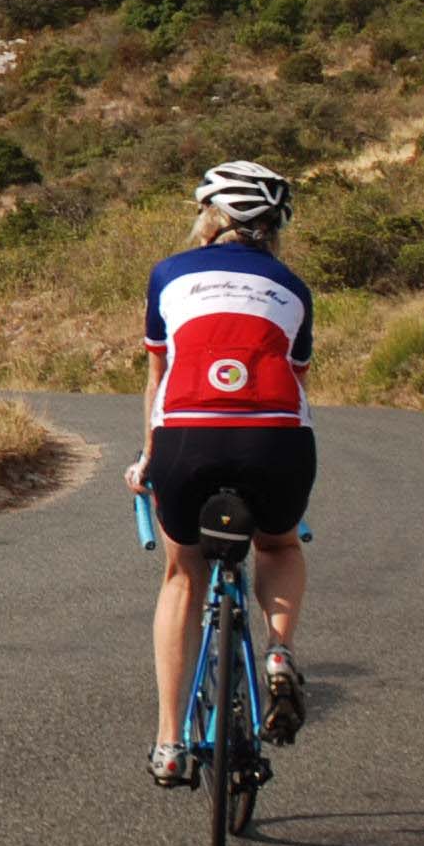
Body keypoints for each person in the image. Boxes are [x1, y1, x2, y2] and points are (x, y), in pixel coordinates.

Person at [134, 160, 316, 787]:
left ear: (210, 216)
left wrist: (146, 460)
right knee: (280, 543)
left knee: (183, 573)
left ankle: (168, 741)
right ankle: (280, 651)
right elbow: (297, 382)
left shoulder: (169, 275)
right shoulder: (292, 287)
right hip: (275, 441)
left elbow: (160, 380)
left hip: (185, 439)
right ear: (273, 227)